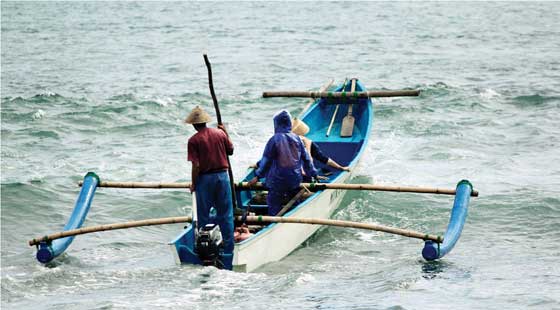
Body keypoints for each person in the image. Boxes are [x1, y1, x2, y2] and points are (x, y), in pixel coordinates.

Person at [248, 110, 318, 216]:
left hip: (277, 181)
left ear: (276, 124)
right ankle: (297, 213)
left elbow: (266, 161)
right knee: (295, 198)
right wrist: (314, 173)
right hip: (294, 179)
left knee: (273, 202)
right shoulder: (297, 139)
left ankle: (274, 219)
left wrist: (257, 176)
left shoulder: (274, 140)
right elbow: (307, 159)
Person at [185, 106, 234, 255]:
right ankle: (228, 248)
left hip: (205, 179)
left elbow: (196, 165)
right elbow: (230, 150)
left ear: (194, 125)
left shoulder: (193, 140)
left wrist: (193, 184)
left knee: (203, 215)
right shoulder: (220, 133)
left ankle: (205, 247)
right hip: (222, 177)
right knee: (225, 214)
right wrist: (225, 132)